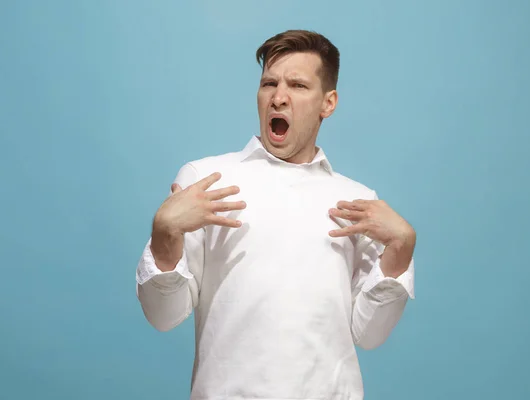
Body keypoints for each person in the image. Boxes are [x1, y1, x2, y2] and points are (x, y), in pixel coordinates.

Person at [135, 29, 416, 400]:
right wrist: (164, 236)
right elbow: (163, 316)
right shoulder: (205, 182)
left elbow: (370, 334)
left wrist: (400, 251)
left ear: (327, 103)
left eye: (297, 86)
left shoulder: (358, 203)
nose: (278, 98)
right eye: (269, 83)